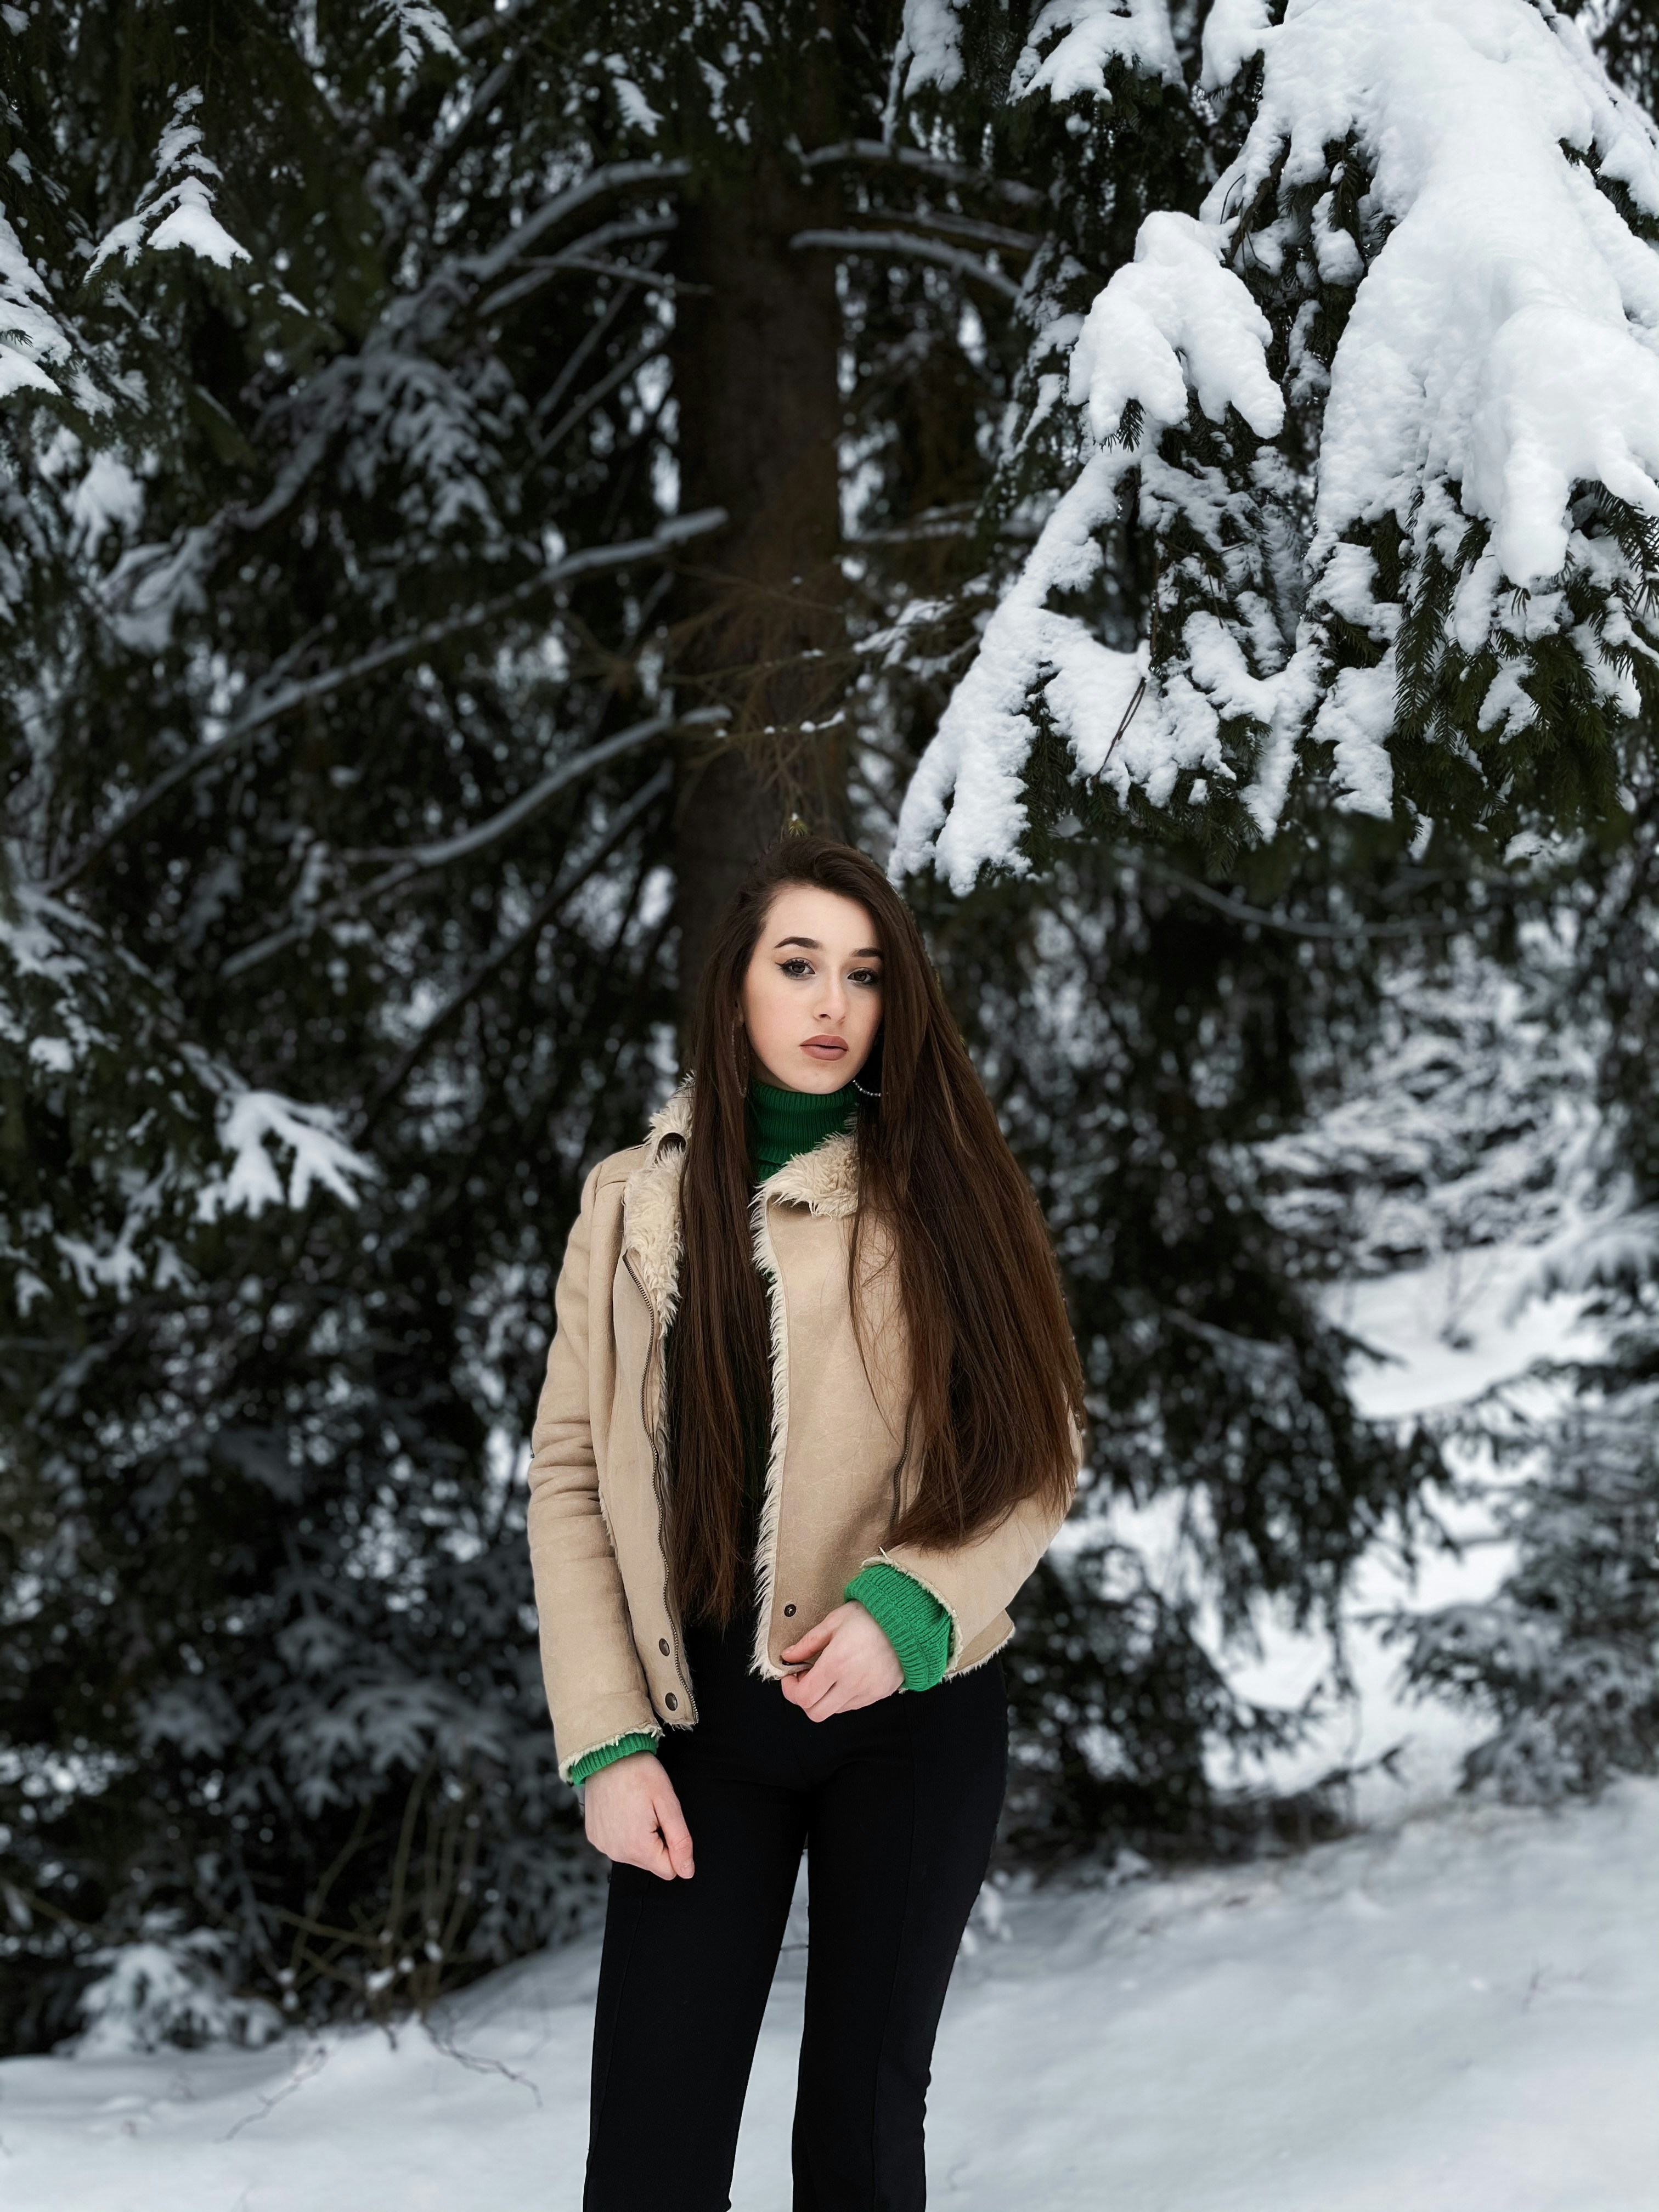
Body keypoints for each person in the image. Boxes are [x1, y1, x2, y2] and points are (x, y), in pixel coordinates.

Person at [526, 832, 1085, 2211]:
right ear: (737, 992)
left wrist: (911, 1610)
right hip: (699, 1728)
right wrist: (605, 1741)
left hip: (909, 1715)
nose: (833, 1003)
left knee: (857, 2146)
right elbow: (572, 1478)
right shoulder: (628, 1205)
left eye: (864, 975)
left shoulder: (944, 1189)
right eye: (799, 966)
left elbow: (1038, 1448)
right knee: (649, 2162)